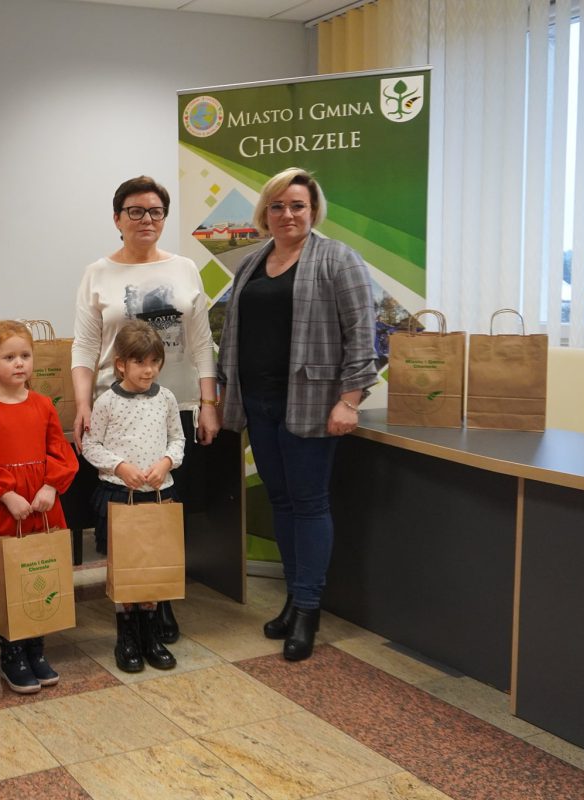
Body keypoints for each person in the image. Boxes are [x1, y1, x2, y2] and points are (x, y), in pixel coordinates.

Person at [216, 167, 376, 662]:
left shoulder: (337, 259)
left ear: (314, 210)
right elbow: (234, 332)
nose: (288, 214)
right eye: (278, 206)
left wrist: (350, 400)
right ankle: (292, 598)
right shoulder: (251, 262)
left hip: (310, 404)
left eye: (298, 205)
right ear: (265, 212)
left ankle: (308, 609)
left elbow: (362, 334)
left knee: (308, 504)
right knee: (281, 502)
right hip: (258, 403)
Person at [71, 175, 218, 643]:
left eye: (155, 211)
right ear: (118, 218)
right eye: (135, 211)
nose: (146, 219)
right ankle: (132, 603)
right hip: (115, 409)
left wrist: (209, 402)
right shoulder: (97, 273)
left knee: (164, 510)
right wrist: (82, 403)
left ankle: (161, 600)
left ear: (164, 217)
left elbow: (201, 342)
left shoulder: (184, 268)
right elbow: (85, 345)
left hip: (175, 406)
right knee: (128, 514)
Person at [0, 321, 79, 693]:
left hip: (42, 505)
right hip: (7, 507)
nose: (19, 363)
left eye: (25, 356)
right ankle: (12, 653)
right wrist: (5, 494)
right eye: (9, 357)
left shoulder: (43, 405)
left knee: (41, 572)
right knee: (11, 578)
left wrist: (50, 486)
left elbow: (60, 451)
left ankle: (36, 649)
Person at [81, 321, 185, 673]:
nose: (149, 370)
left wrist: (166, 462)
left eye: (155, 361)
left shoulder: (166, 398)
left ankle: (151, 636)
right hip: (120, 497)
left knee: (153, 565)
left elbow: (177, 439)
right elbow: (90, 444)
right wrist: (119, 466)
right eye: (140, 362)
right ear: (121, 364)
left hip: (158, 496)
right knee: (126, 568)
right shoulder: (107, 402)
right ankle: (126, 637)